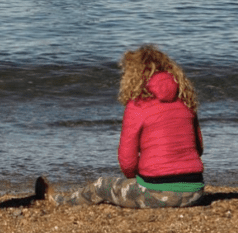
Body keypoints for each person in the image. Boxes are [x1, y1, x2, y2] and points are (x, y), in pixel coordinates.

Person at [35, 44, 204, 208]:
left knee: (101, 185)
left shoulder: (137, 105)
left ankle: (58, 201)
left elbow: (127, 160)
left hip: (157, 193)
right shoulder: (185, 100)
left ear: (133, 74)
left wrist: (135, 179)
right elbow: (199, 148)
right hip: (195, 192)